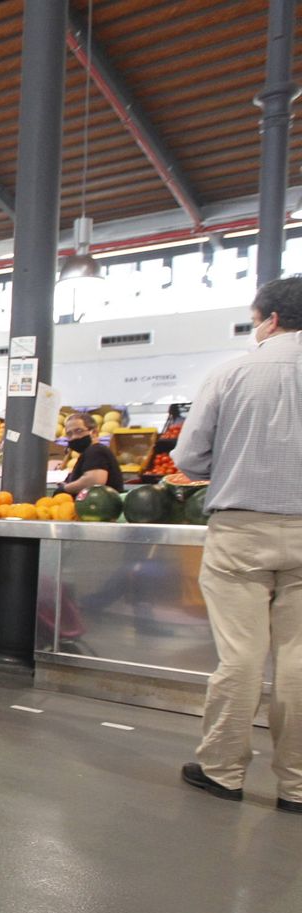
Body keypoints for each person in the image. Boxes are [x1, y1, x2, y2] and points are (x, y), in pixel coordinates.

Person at [174, 276, 302, 814]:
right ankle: (297, 785)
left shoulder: (231, 372)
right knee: (298, 658)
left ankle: (224, 770)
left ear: (270, 318)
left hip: (241, 530)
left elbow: (187, 459)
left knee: (241, 656)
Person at [59, 412, 124, 496]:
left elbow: (94, 481)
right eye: (69, 434)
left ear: (94, 432)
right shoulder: (89, 453)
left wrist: (65, 488)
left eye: (79, 431)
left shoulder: (96, 451)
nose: (74, 437)